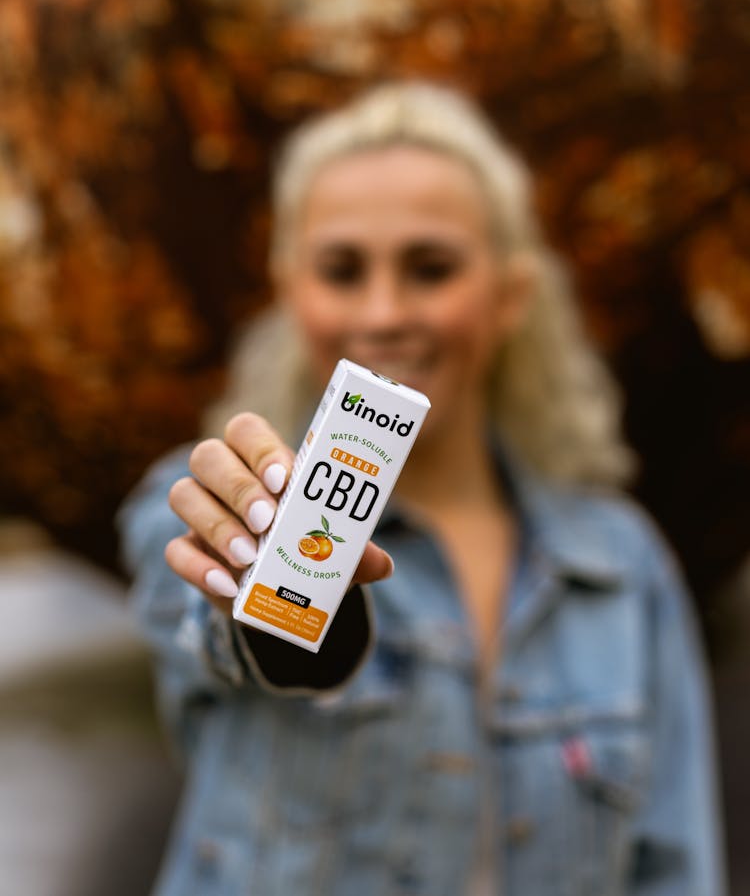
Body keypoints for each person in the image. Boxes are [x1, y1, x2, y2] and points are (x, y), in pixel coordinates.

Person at [119, 81, 726, 895]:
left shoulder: (620, 563)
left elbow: (674, 866)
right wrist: (283, 605)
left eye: (430, 268)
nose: (383, 312)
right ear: (290, 289)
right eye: (341, 270)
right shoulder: (200, 499)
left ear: (510, 296)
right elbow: (219, 630)